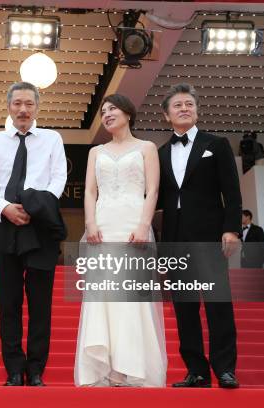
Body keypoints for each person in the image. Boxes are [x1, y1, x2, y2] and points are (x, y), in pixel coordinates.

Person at [74, 94, 166, 387]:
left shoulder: (147, 148)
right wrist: (90, 223)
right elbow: (90, 192)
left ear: (128, 113)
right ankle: (106, 365)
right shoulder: (96, 152)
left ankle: (129, 366)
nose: (107, 114)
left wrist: (143, 225)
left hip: (132, 225)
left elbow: (152, 191)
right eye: (103, 111)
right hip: (103, 226)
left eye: (112, 109)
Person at [0, 82, 67, 387]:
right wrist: (5, 209)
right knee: (9, 303)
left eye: (29, 104)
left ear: (37, 107)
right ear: (9, 106)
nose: (23, 110)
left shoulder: (52, 139)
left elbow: (59, 178)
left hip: (41, 228)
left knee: (41, 304)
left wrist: (39, 206)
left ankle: (37, 369)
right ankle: (14, 369)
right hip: (5, 227)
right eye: (17, 103)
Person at [157, 83, 242, 389]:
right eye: (177, 105)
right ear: (167, 115)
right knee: (184, 307)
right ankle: (197, 371)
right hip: (176, 239)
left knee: (218, 304)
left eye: (189, 104)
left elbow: (231, 192)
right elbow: (157, 200)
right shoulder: (161, 153)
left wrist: (231, 229)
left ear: (196, 110)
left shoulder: (216, 144)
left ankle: (225, 369)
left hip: (209, 237)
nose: (184, 109)